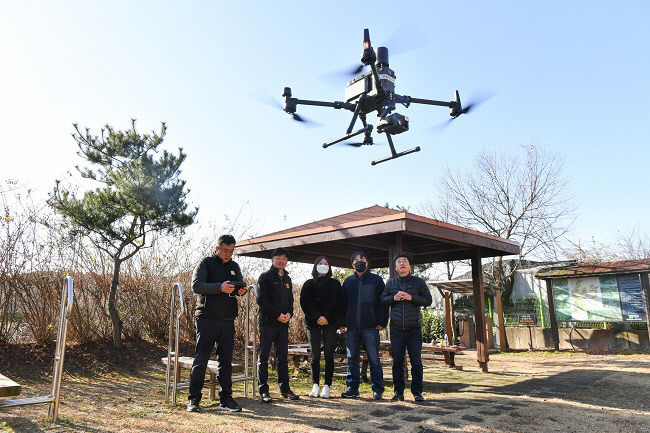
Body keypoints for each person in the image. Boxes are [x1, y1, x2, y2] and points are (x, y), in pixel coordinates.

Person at [187, 234, 248, 413]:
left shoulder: (234, 266)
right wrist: (219, 287)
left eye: (231, 251)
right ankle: (194, 400)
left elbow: (237, 288)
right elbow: (196, 286)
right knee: (201, 359)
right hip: (206, 318)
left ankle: (226, 399)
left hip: (227, 319)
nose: (228, 254)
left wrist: (241, 290)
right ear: (217, 248)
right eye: (225, 250)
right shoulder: (205, 263)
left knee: (226, 361)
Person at [381, 253, 432, 402]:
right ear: (396, 267)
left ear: (409, 266)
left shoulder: (418, 282)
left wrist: (411, 297)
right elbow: (382, 300)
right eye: (399, 262)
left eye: (405, 261)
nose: (402, 263)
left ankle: (417, 392)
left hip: (414, 328)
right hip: (396, 328)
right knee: (397, 361)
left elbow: (428, 300)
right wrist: (393, 298)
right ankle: (398, 392)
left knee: (416, 361)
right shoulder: (391, 283)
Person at [340, 251, 388, 400]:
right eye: (356, 259)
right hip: (352, 327)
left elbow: (384, 302)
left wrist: (382, 321)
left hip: (371, 327)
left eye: (362, 259)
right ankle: (352, 389)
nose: (359, 261)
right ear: (352, 264)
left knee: (374, 359)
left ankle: (378, 390)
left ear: (367, 263)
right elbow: (342, 304)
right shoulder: (348, 282)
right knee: (352, 358)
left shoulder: (377, 280)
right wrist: (342, 323)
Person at [256, 247, 299, 402]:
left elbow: (290, 301)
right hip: (268, 323)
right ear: (272, 259)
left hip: (283, 325)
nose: (281, 260)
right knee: (264, 356)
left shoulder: (287, 279)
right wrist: (277, 315)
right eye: (278, 257)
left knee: (282, 356)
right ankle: (264, 391)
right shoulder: (265, 277)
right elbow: (262, 301)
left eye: (284, 258)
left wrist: (289, 314)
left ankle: (285, 389)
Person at [300, 256, 345, 398]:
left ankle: (327, 385)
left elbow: (338, 304)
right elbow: (305, 303)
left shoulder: (335, 284)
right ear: (315, 266)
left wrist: (327, 317)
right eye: (320, 263)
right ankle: (315, 384)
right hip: (312, 323)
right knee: (315, 354)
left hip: (330, 324)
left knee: (329, 354)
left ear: (329, 267)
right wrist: (317, 317)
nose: (323, 265)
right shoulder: (308, 284)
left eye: (326, 263)